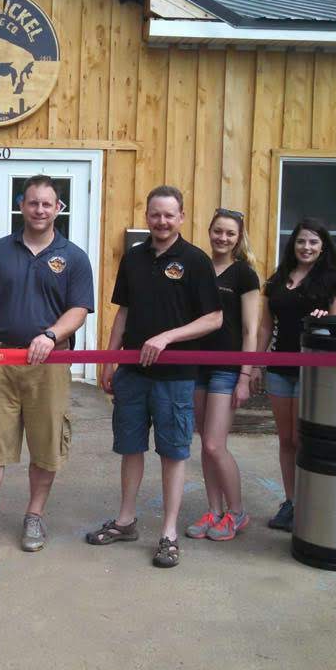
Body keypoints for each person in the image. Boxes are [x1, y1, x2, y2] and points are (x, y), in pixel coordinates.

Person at [86, 186, 222, 568]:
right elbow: (123, 313)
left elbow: (215, 318)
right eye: (155, 214)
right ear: (147, 216)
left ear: (181, 217)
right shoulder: (133, 259)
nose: (162, 221)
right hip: (132, 373)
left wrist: (167, 337)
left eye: (169, 215)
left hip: (175, 376)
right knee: (130, 447)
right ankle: (126, 520)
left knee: (173, 451)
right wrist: (110, 360)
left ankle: (168, 533)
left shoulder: (195, 261)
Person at [0, 175, 94, 561]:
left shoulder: (74, 256)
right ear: (22, 206)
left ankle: (34, 516)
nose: (39, 210)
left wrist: (51, 335)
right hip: (3, 359)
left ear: (58, 209)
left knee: (46, 443)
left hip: (50, 364)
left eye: (47, 204)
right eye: (33, 203)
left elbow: (80, 309)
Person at [252, 218, 336, 532]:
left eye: (313, 242)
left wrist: (324, 320)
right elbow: (266, 326)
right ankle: (291, 501)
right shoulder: (278, 280)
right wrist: (255, 363)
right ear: (293, 245)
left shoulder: (334, 281)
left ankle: (311, 502)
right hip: (280, 369)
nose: (306, 248)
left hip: (315, 372)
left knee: (306, 439)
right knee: (287, 439)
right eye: (301, 242)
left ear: (323, 247)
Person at [185, 209, 260, 542]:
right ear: (209, 231)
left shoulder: (244, 274)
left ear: (238, 237)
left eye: (230, 233)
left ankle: (237, 511)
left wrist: (245, 374)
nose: (222, 238)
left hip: (227, 368)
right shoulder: (198, 266)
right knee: (204, 442)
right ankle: (214, 511)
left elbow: (250, 328)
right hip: (196, 364)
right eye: (218, 231)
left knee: (216, 444)